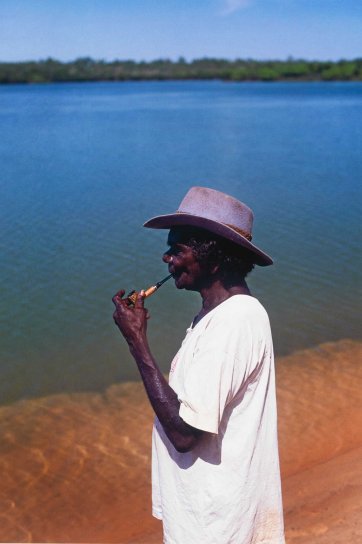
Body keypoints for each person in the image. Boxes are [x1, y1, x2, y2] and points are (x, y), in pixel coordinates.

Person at [112, 186, 285, 544]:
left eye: (177, 249)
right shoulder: (213, 316)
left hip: (217, 526)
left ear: (214, 257)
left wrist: (137, 344)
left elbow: (185, 434)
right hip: (206, 517)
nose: (167, 259)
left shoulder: (234, 323)